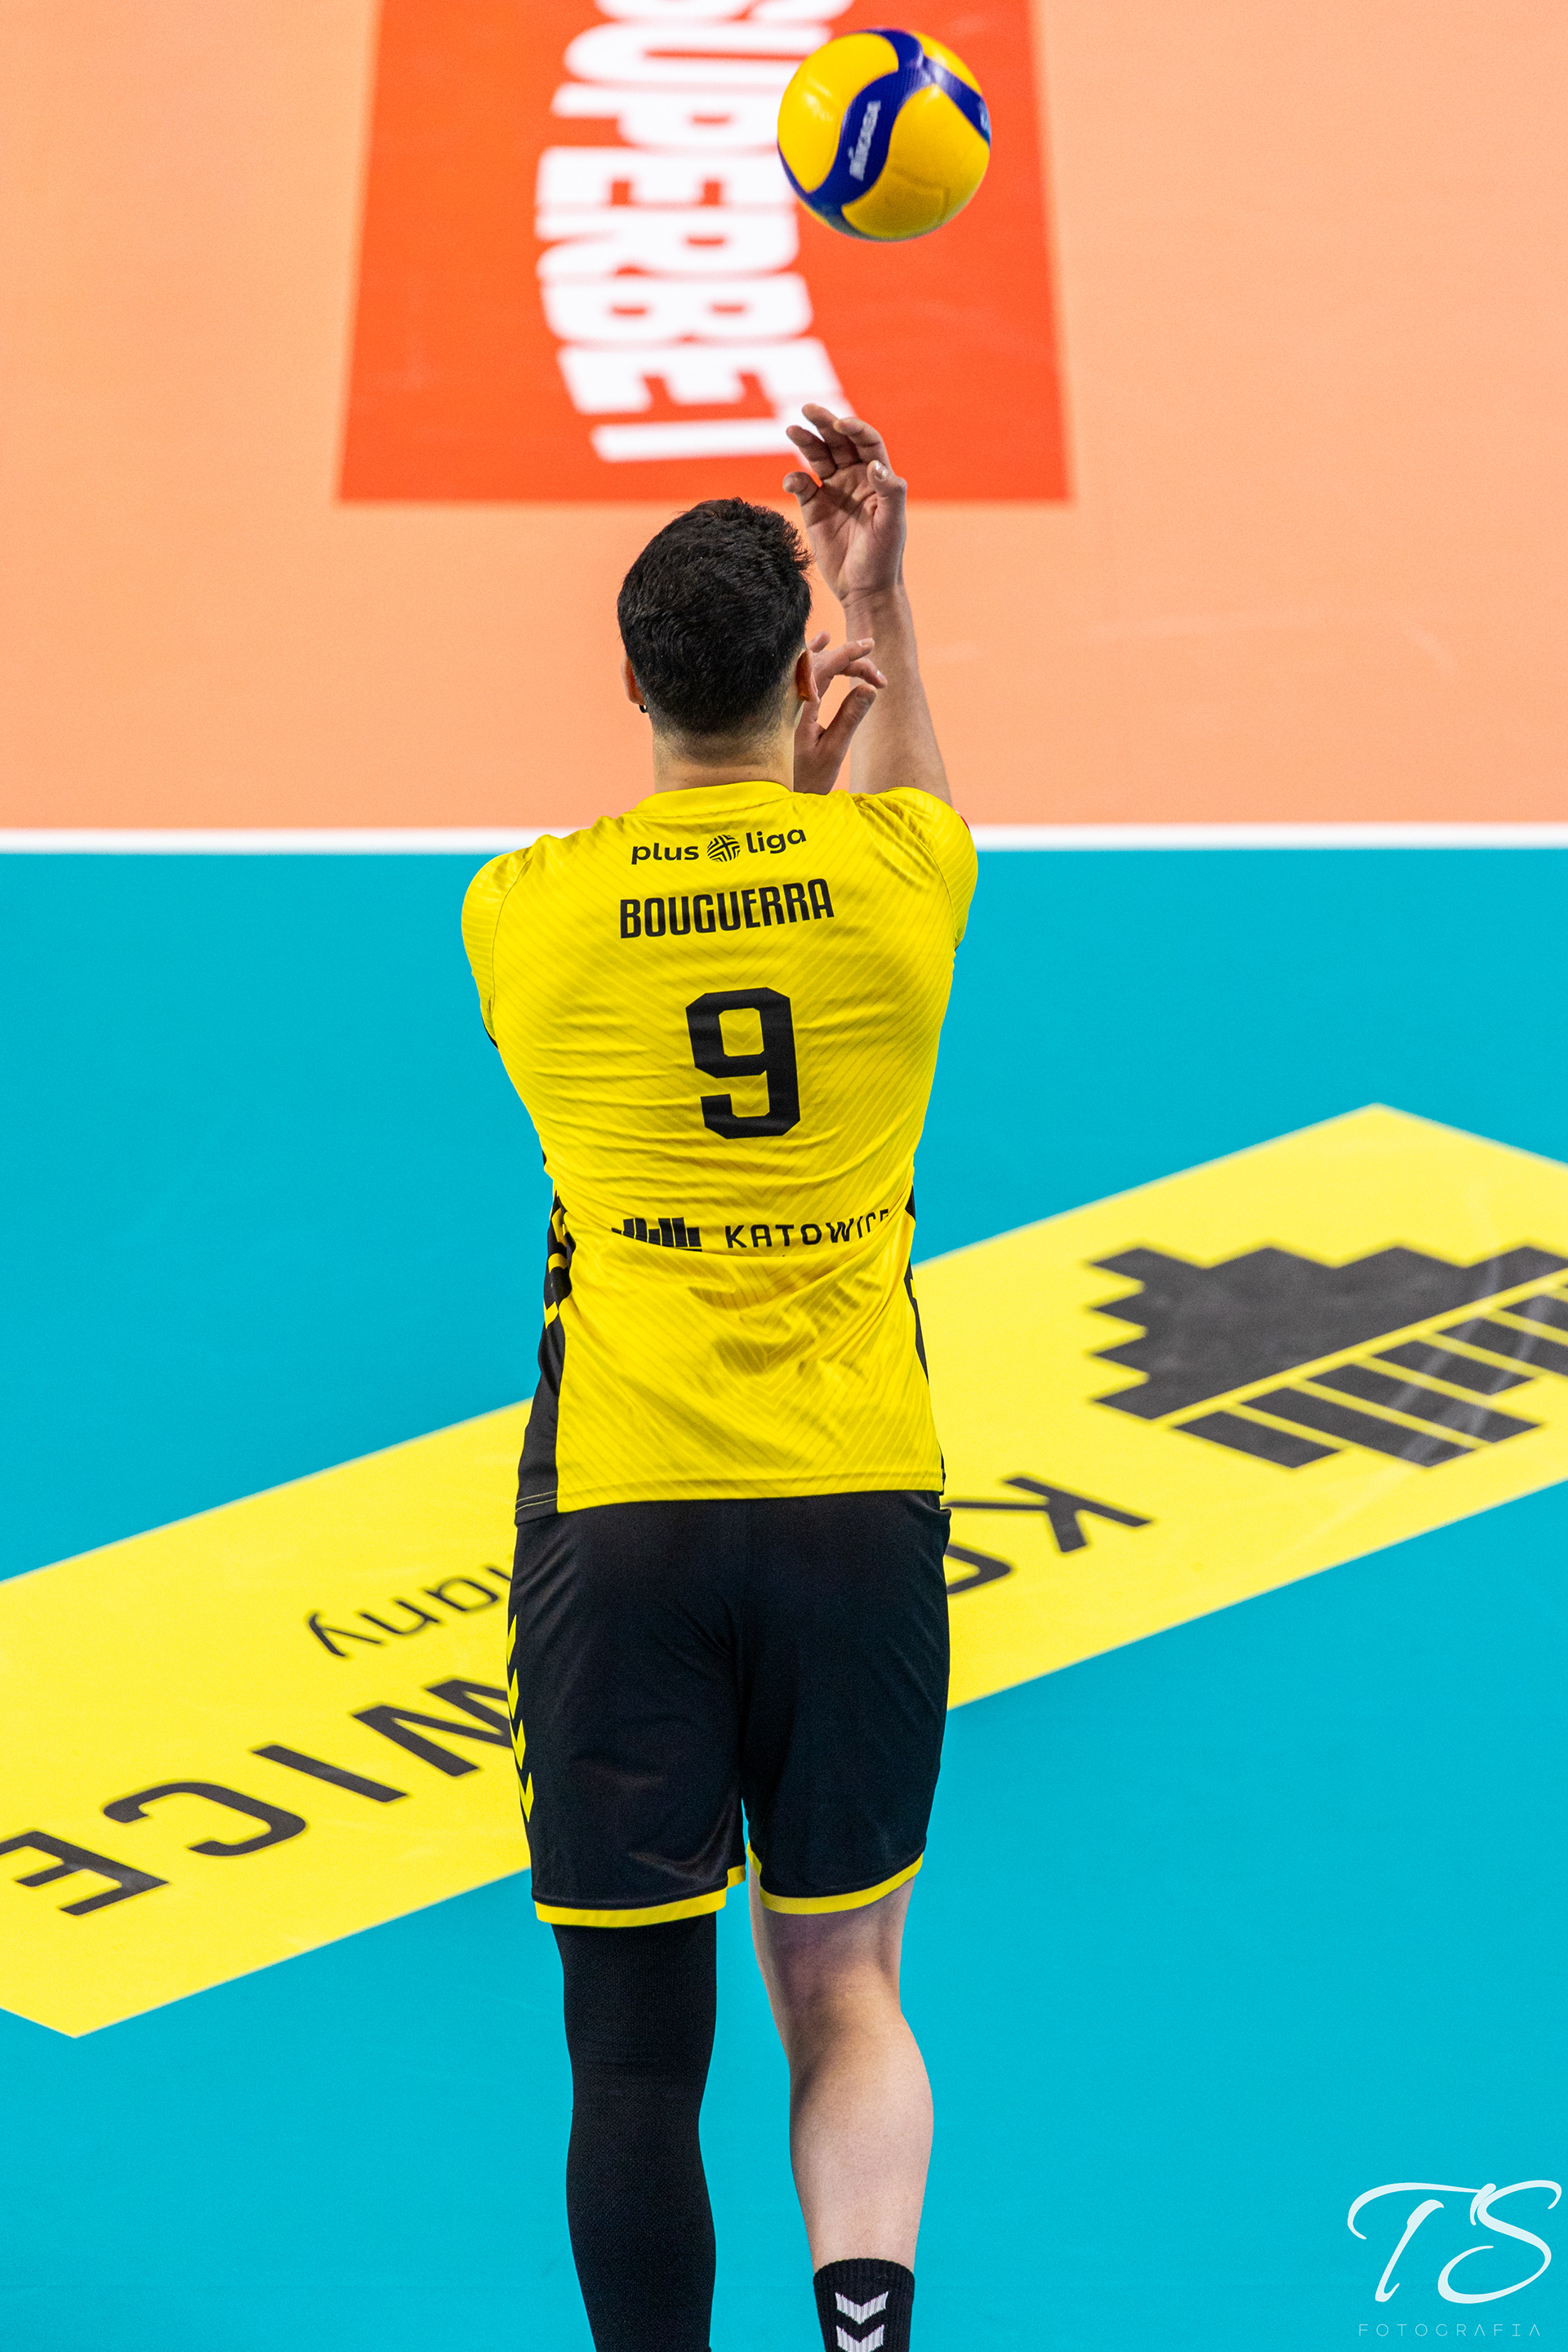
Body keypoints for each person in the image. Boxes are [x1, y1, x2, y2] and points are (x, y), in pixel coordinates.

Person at [461, 406, 976, 2352]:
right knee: (847, 1993)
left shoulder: (522, 913)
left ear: (632, 683)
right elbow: (882, 835)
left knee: (630, 2056)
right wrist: (880, 602)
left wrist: (793, 778)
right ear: (797, 675)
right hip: (855, 1499)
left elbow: (706, 913)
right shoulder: (902, 888)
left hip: (628, 1518)